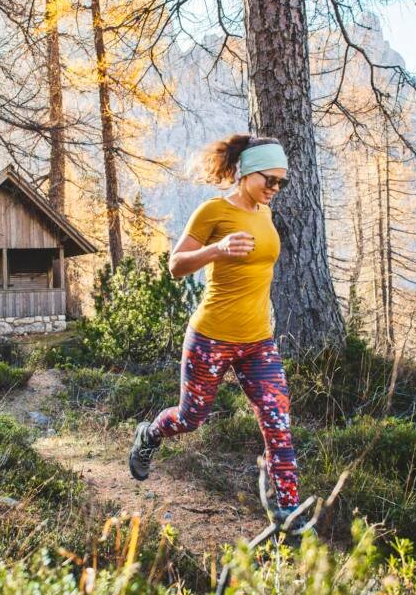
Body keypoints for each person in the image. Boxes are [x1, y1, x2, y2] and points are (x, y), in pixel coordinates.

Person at [127, 134, 299, 525]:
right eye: (268, 180)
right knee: (191, 418)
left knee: (279, 422)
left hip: (258, 343)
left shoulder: (265, 212)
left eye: (281, 182)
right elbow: (176, 266)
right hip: (211, 339)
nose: (274, 189)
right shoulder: (212, 211)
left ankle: (288, 514)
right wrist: (216, 251)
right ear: (245, 172)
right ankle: (150, 435)